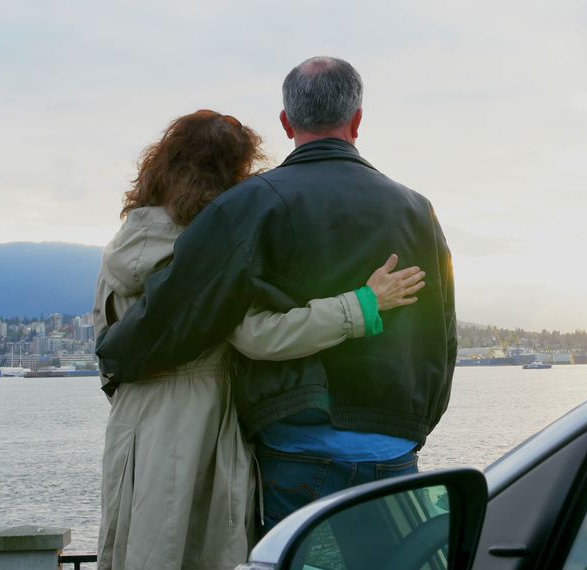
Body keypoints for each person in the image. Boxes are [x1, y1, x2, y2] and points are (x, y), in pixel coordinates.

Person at [96, 56, 457, 535]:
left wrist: (117, 352)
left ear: (287, 122)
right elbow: (443, 333)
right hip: (392, 447)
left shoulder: (251, 204)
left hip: (296, 445)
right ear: (358, 119)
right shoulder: (417, 209)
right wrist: (414, 425)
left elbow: (184, 305)